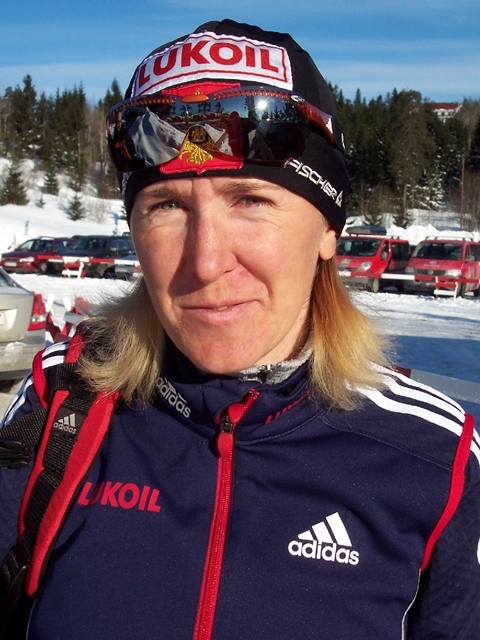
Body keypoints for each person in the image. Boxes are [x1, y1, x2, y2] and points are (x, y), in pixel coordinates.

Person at [1, 19, 479, 640]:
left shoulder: (434, 456)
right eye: (167, 206)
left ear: (327, 230)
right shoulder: (61, 401)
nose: (205, 263)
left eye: (251, 201)